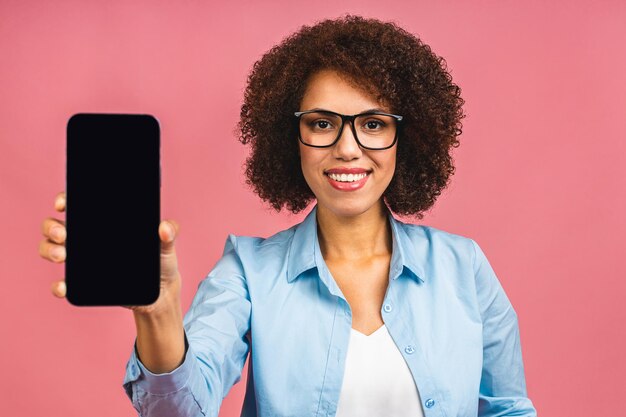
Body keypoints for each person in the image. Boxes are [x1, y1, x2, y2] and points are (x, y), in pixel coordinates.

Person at [39, 15, 537, 417]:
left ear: (407, 139)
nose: (347, 148)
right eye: (321, 123)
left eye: (373, 124)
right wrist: (157, 310)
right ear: (289, 137)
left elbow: (509, 409)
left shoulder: (463, 267)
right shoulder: (249, 271)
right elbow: (176, 413)